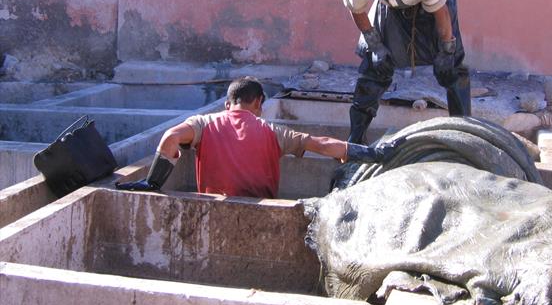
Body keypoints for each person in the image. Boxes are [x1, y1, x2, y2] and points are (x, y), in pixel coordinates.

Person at [116, 76, 389, 198]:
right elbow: (321, 144)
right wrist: (371, 154)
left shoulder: (203, 124)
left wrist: (153, 183)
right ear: (258, 102)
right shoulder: (273, 132)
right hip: (261, 215)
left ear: (227, 103)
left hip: (211, 212)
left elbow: (170, 138)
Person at [342, 0, 471, 144]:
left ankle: (465, 137)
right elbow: (356, 8)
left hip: (433, 4)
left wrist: (446, 49)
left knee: (452, 67)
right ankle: (356, 140)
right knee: (374, 65)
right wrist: (376, 46)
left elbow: (440, 12)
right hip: (392, 4)